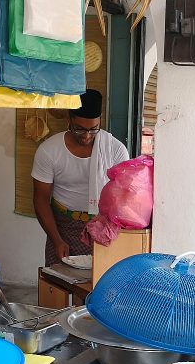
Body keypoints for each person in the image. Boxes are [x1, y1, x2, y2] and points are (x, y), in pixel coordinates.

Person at [32, 89, 129, 264]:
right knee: (59, 282)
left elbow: (124, 198)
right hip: (63, 226)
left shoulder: (115, 150)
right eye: (80, 129)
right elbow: (40, 199)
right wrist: (56, 239)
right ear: (69, 119)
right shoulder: (49, 151)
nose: (86, 136)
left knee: (99, 285)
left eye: (93, 129)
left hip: (103, 227)